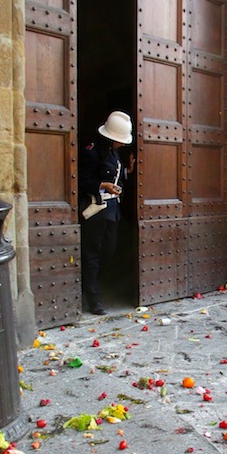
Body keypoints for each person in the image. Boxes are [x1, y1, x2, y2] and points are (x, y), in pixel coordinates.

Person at [79, 111, 135, 314]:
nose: (122, 144)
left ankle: (90, 283)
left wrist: (127, 171)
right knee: (92, 255)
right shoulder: (91, 151)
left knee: (108, 251)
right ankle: (94, 300)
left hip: (112, 210)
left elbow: (116, 176)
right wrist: (102, 185)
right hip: (97, 210)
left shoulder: (114, 152)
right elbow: (83, 181)